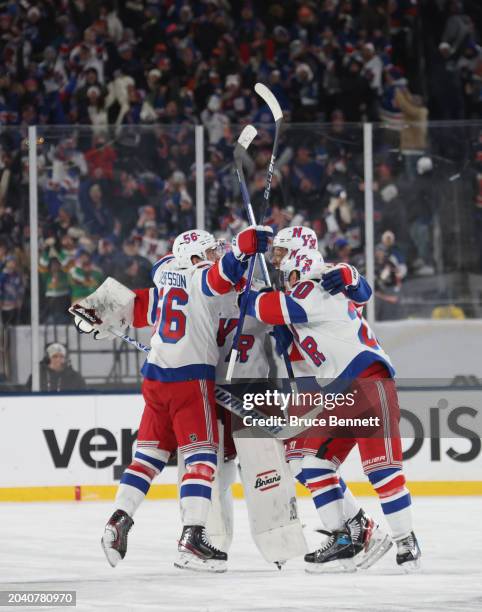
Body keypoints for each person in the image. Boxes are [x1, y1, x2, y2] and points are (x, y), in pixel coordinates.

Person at [76, 225, 272, 572]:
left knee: (148, 458)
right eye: (208, 251)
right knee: (202, 459)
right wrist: (245, 246)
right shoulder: (200, 279)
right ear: (194, 257)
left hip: (155, 378)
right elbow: (223, 273)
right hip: (189, 379)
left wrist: (94, 309)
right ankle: (193, 538)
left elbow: (133, 304)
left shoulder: (165, 281)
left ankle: (118, 519)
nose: (213, 255)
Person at [242, 248, 421, 572]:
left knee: (382, 472)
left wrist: (251, 294)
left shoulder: (314, 288)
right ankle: (345, 538)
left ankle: (405, 541)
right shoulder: (314, 294)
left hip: (367, 381)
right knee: (312, 463)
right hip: (339, 391)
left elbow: (271, 307)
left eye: (288, 272)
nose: (285, 278)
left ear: (298, 272)